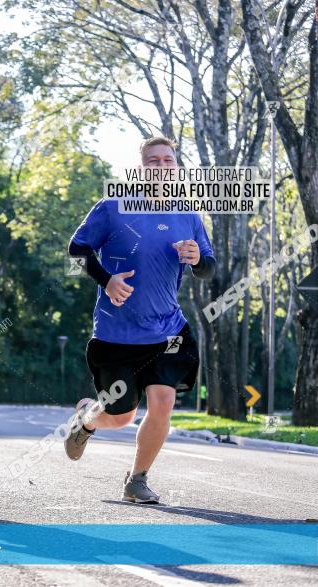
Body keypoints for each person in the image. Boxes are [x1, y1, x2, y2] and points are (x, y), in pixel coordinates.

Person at [64, 136, 216, 504]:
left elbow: (208, 270)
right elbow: (77, 249)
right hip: (117, 333)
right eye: (153, 161)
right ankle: (87, 418)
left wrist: (197, 259)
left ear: (177, 169)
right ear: (139, 169)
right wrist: (107, 280)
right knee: (120, 416)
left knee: (163, 402)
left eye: (168, 161)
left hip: (167, 329)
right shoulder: (112, 208)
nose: (161, 167)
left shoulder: (188, 215)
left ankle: (137, 478)